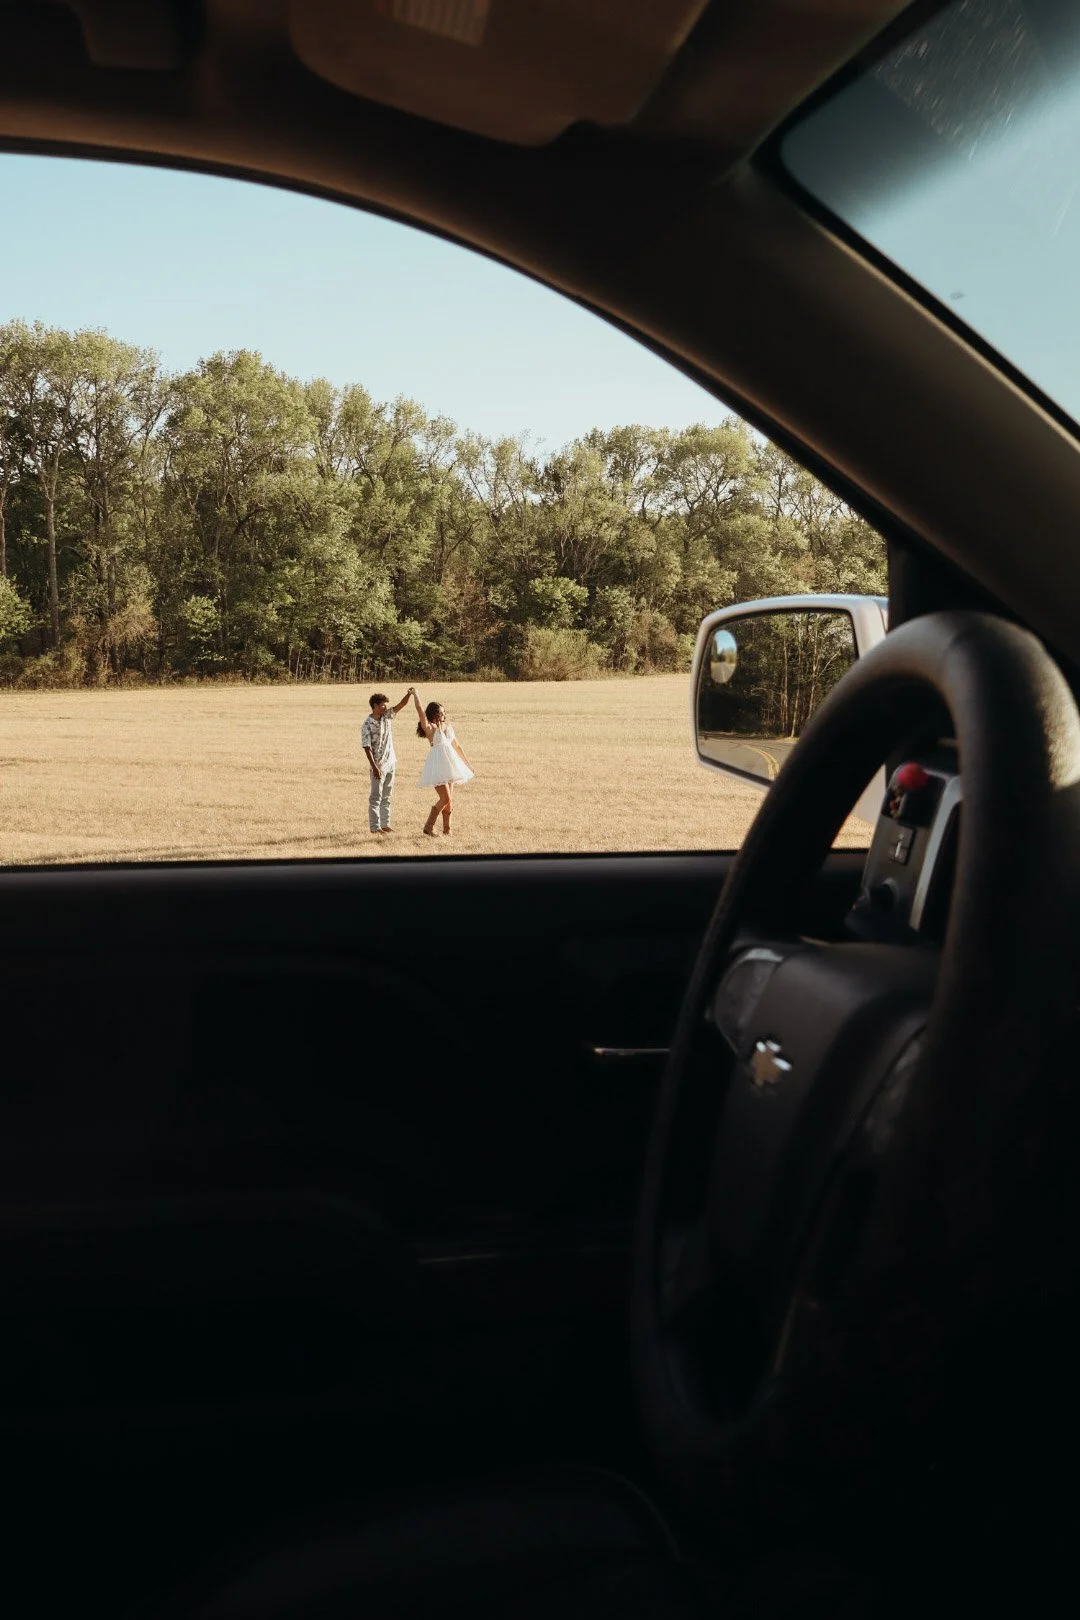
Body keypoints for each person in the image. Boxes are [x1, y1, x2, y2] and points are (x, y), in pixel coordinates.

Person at [412, 692, 475, 836]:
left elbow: (458, 747)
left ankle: (447, 830)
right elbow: (420, 710)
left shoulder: (448, 727)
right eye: (441, 712)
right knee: (445, 798)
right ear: (434, 713)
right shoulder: (430, 728)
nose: (444, 714)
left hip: (450, 766)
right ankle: (429, 827)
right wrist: (415, 694)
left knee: (449, 802)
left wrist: (468, 765)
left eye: (444, 712)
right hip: (438, 767)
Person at [360, 688, 414, 836]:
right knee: (376, 797)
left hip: (391, 762)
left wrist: (409, 694)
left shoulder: (387, 717)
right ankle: (375, 827)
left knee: (387, 796)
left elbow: (401, 705)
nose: (385, 707)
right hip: (378, 765)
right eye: (383, 705)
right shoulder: (367, 724)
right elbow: (366, 747)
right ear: (375, 706)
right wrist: (374, 766)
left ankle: (385, 824)